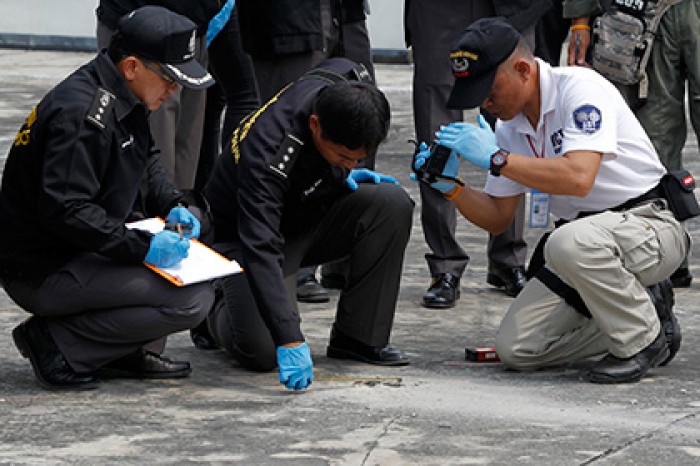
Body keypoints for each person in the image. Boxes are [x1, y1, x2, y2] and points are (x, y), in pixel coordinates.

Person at [416, 18, 689, 383]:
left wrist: (498, 160)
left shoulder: (580, 88)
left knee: (567, 241)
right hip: (584, 249)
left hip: (648, 226)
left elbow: (578, 178)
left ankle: (642, 339)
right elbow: (499, 218)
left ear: (524, 69)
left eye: (490, 90)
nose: (484, 102)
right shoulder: (510, 126)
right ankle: (646, 314)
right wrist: (451, 187)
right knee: (519, 348)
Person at [0, 6, 216, 390]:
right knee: (191, 300)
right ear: (132, 66)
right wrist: (141, 248)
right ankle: (56, 343)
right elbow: (65, 211)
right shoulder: (83, 114)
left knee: (194, 283)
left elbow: (146, 158)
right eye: (168, 79)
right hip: (44, 267)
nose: (173, 91)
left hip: (82, 247)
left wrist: (171, 203)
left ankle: (112, 350)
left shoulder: (122, 91)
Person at [202, 57, 413, 391]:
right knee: (262, 351)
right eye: (345, 157)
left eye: (357, 159)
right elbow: (260, 244)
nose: (351, 164)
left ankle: (357, 336)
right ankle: (211, 302)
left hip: (308, 214)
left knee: (390, 204)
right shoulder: (268, 149)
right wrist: (289, 338)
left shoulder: (345, 80)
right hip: (247, 239)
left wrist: (340, 173)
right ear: (314, 125)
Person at [404, 0, 551, 307]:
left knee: (514, 114)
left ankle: (508, 257)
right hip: (439, 10)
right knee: (436, 128)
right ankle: (444, 265)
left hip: (513, 6)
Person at [237, 0, 376, 304]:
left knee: (361, 124)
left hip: (344, 13)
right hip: (288, 18)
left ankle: (345, 259)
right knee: (295, 137)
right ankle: (296, 267)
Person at [96, 0, 221, 190]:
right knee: (151, 143)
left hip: (194, 24)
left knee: (186, 146)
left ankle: (176, 209)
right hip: (141, 27)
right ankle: (147, 214)